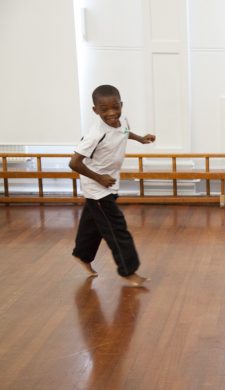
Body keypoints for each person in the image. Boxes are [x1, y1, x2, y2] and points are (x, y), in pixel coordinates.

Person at [69, 84, 155, 286]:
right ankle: (128, 270)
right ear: (95, 110)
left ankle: (82, 255)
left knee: (93, 224)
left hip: (109, 183)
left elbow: (123, 131)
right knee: (116, 227)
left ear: (121, 105)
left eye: (115, 107)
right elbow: (74, 163)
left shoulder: (122, 120)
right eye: (105, 109)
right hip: (98, 187)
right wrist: (99, 178)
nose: (112, 113)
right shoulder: (95, 134)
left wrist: (141, 139)